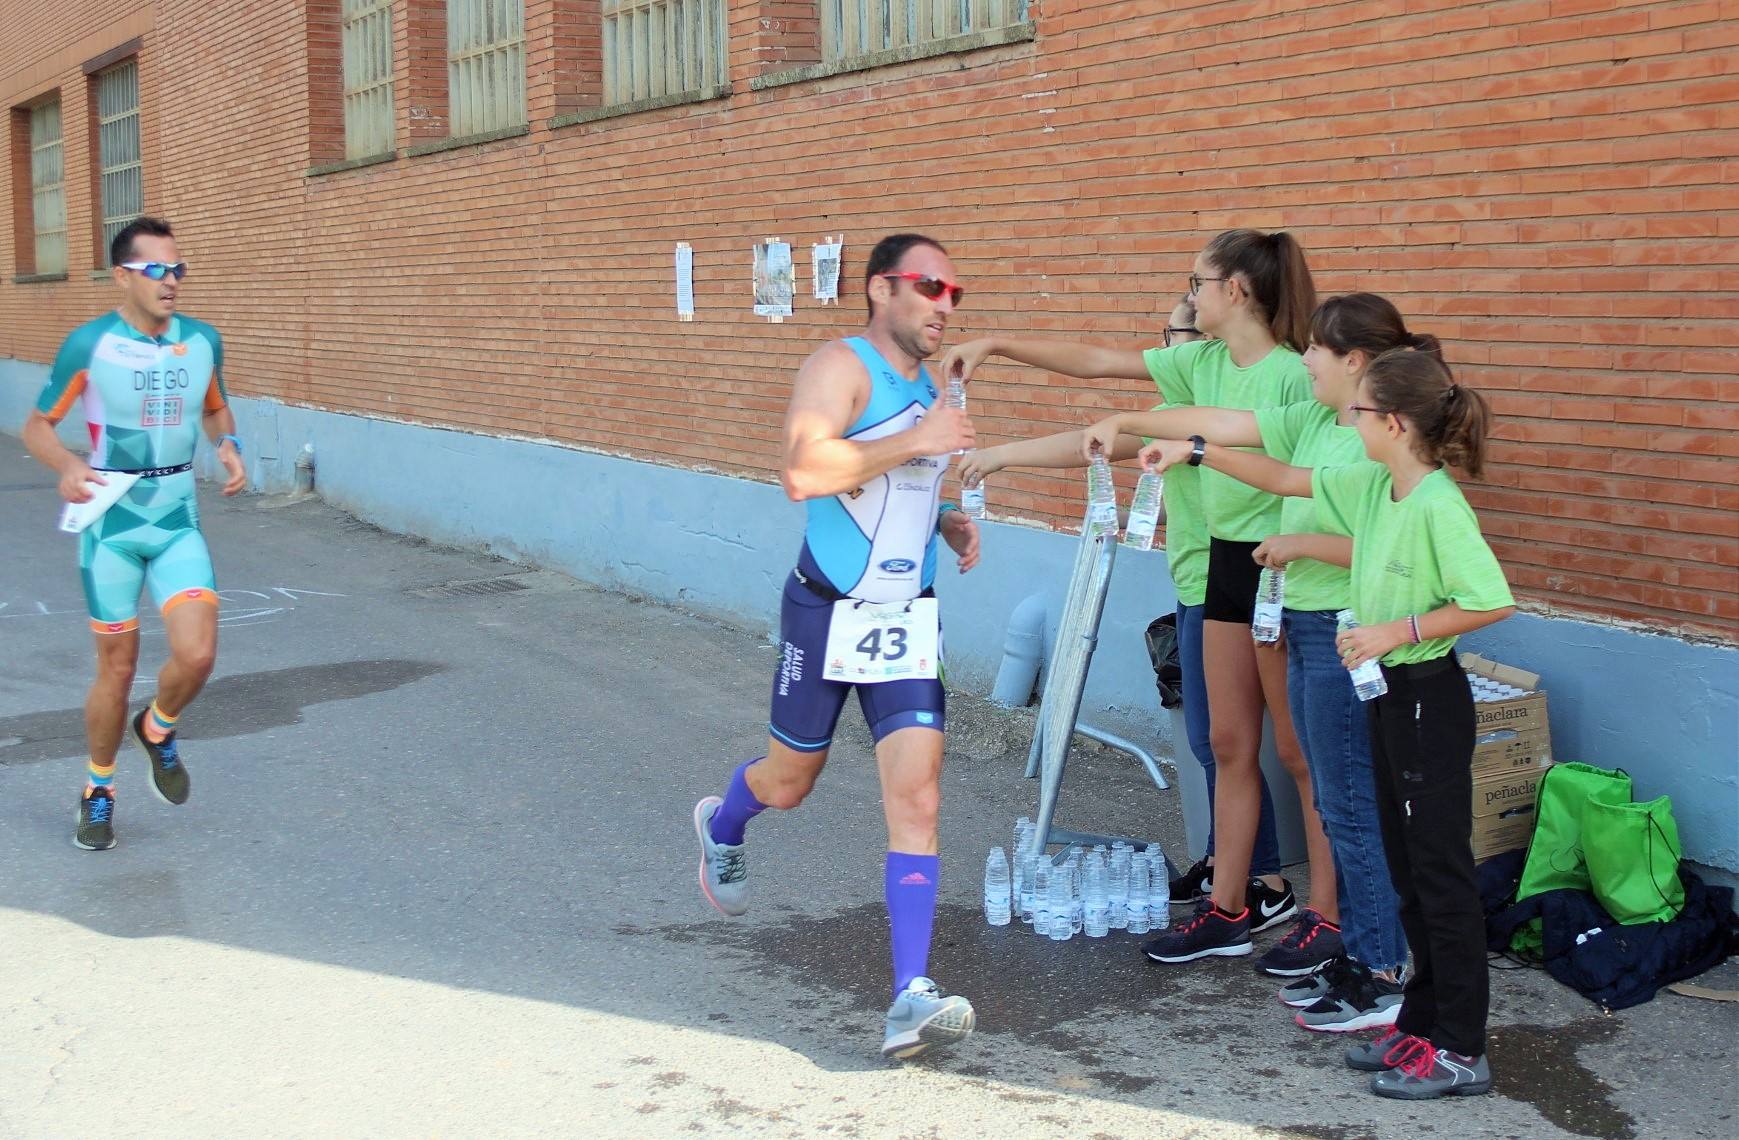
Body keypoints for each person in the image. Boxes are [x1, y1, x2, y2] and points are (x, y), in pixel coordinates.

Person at [944, 229, 1332, 967]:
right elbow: (1098, 370)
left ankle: (1320, 913)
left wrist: (1135, 427)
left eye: (1197, 283)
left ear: (1236, 292)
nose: (1189, 296)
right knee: (1222, 743)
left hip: (1277, 571)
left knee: (1296, 751)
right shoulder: (1199, 361)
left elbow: (1281, 471)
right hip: (1218, 569)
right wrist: (995, 345)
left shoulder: (1288, 377)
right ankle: (1232, 901)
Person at [1141, 345, 1514, 1100]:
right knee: (1405, 869)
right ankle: (1420, 1021)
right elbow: (1285, 477)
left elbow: (1490, 599)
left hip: (1424, 695)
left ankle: (1461, 1047)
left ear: (1396, 423)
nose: (1349, 419)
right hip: (1385, 691)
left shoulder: (1439, 504)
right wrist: (1197, 451)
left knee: (1439, 874)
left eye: (1360, 412)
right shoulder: (1379, 486)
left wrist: (1395, 631)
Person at [1080, 294, 1425, 1029]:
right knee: (1328, 793)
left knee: (1348, 805)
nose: (1306, 359)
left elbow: (1391, 544)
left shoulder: (1379, 444)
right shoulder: (1317, 422)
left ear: (1354, 363)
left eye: (1318, 352)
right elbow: (1262, 460)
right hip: (1294, 609)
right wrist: (1183, 444)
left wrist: (1297, 546)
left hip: (1344, 628)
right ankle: (1353, 956)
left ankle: (1379, 966)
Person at [691, 233, 982, 1060]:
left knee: (919, 793)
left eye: (955, 292)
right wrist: (919, 443)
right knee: (789, 782)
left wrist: (942, 516)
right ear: (880, 289)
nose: (944, 305)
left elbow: (890, 488)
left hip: (904, 614)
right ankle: (725, 824)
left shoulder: (929, 384)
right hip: (825, 612)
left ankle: (909, 996)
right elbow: (803, 472)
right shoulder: (839, 366)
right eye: (929, 287)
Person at [22, 216, 246, 851]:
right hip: (111, 524)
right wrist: (67, 465)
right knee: (116, 669)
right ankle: (98, 789)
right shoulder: (89, 344)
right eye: (156, 270)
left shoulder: (202, 340)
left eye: (178, 269)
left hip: (176, 519)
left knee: (199, 654)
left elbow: (215, 406)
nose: (171, 280)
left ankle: (159, 726)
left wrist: (227, 444)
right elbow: (39, 425)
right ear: (123, 276)